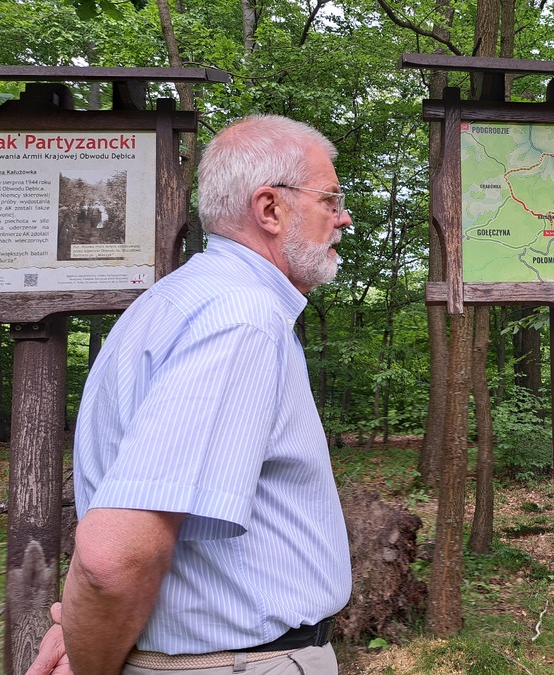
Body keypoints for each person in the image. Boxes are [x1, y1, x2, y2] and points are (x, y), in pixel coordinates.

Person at [27, 114, 354, 675]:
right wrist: (89, 665)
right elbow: (111, 558)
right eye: (331, 199)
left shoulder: (173, 301)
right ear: (270, 208)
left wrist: (81, 632)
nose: (344, 218)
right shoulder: (240, 320)